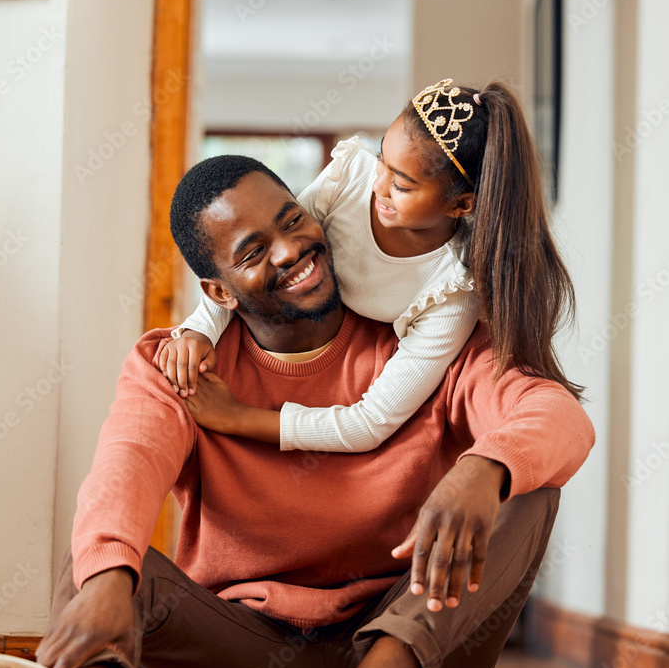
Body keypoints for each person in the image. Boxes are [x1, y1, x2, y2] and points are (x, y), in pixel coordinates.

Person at [0, 146, 595, 668]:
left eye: (294, 222)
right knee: (102, 551)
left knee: (526, 480)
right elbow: (129, 461)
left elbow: (559, 418)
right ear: (218, 291)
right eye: (255, 251)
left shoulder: (429, 346)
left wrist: (484, 466)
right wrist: (110, 582)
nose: (290, 251)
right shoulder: (182, 366)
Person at [158, 79, 581, 451]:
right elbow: (258, 258)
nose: (379, 187)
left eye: (401, 184)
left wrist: (236, 417)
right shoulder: (349, 183)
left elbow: (369, 423)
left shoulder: (451, 289)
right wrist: (199, 329)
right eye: (383, 159)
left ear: (461, 204)